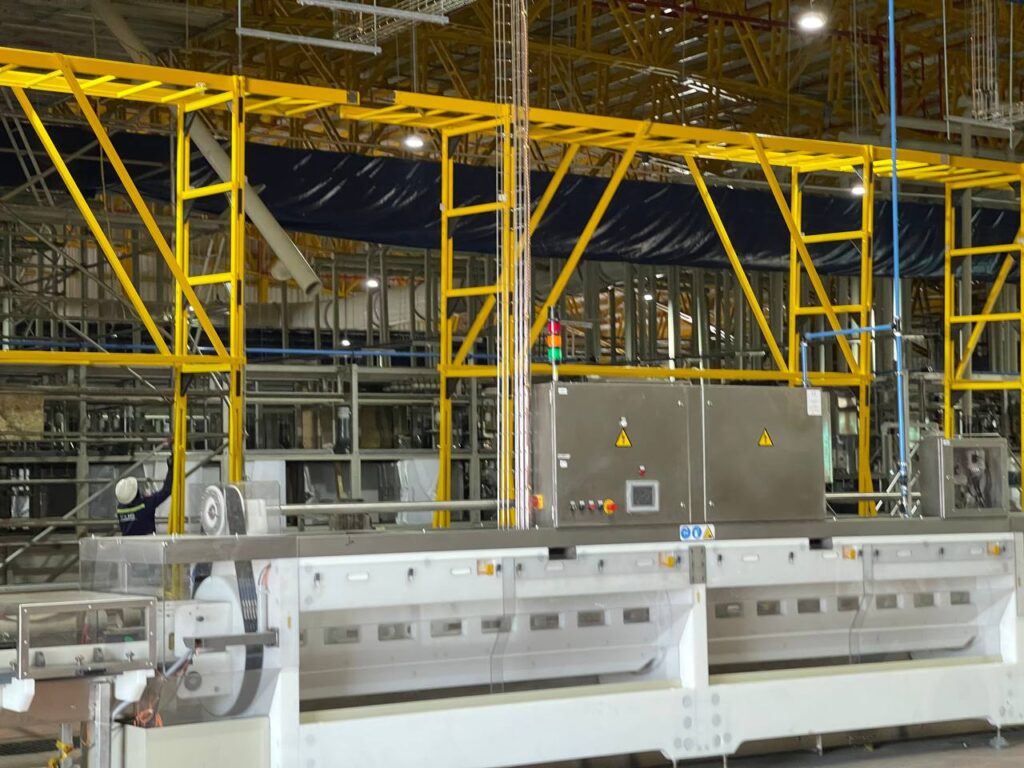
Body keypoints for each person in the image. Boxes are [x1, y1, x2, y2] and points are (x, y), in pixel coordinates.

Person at [114, 458, 173, 536]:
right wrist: (171, 468)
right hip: (148, 541)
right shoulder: (146, 504)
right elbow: (166, 491)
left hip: (127, 542)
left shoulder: (120, 508)